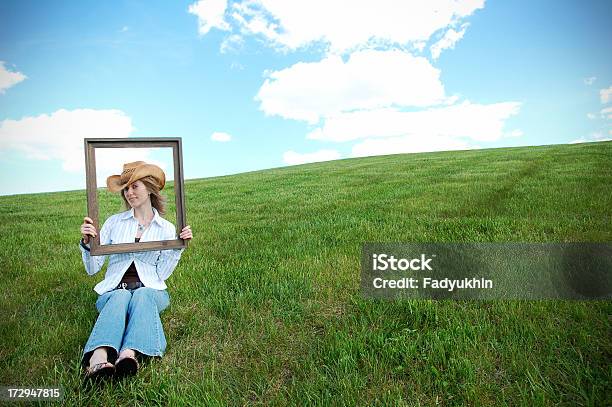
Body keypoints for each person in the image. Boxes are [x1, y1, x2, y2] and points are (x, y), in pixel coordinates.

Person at [79, 161, 193, 380]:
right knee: (121, 295)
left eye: (135, 187)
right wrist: (88, 244)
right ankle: (98, 359)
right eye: (126, 189)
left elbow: (161, 275)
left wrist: (177, 248)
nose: (129, 193)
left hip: (151, 290)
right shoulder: (114, 223)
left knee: (142, 294)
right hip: (114, 291)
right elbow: (94, 269)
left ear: (150, 188)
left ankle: (128, 356)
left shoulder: (167, 228)